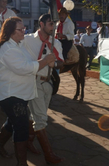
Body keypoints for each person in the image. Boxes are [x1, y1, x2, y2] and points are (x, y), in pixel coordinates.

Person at [0, 16, 55, 166]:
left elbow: (32, 55)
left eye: (24, 28)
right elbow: (24, 68)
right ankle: (22, 163)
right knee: (21, 127)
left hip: (20, 92)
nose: (24, 32)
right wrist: (45, 61)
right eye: (21, 29)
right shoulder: (8, 49)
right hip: (11, 94)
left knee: (12, 122)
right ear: (11, 32)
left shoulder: (19, 44)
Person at [24, 13, 65, 164]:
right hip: (32, 82)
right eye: (50, 24)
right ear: (41, 24)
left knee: (34, 115)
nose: (53, 27)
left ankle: (25, 141)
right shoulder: (27, 40)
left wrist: (54, 64)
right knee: (41, 119)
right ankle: (49, 155)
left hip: (47, 83)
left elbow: (62, 62)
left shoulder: (56, 43)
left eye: (53, 24)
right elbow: (13, 48)